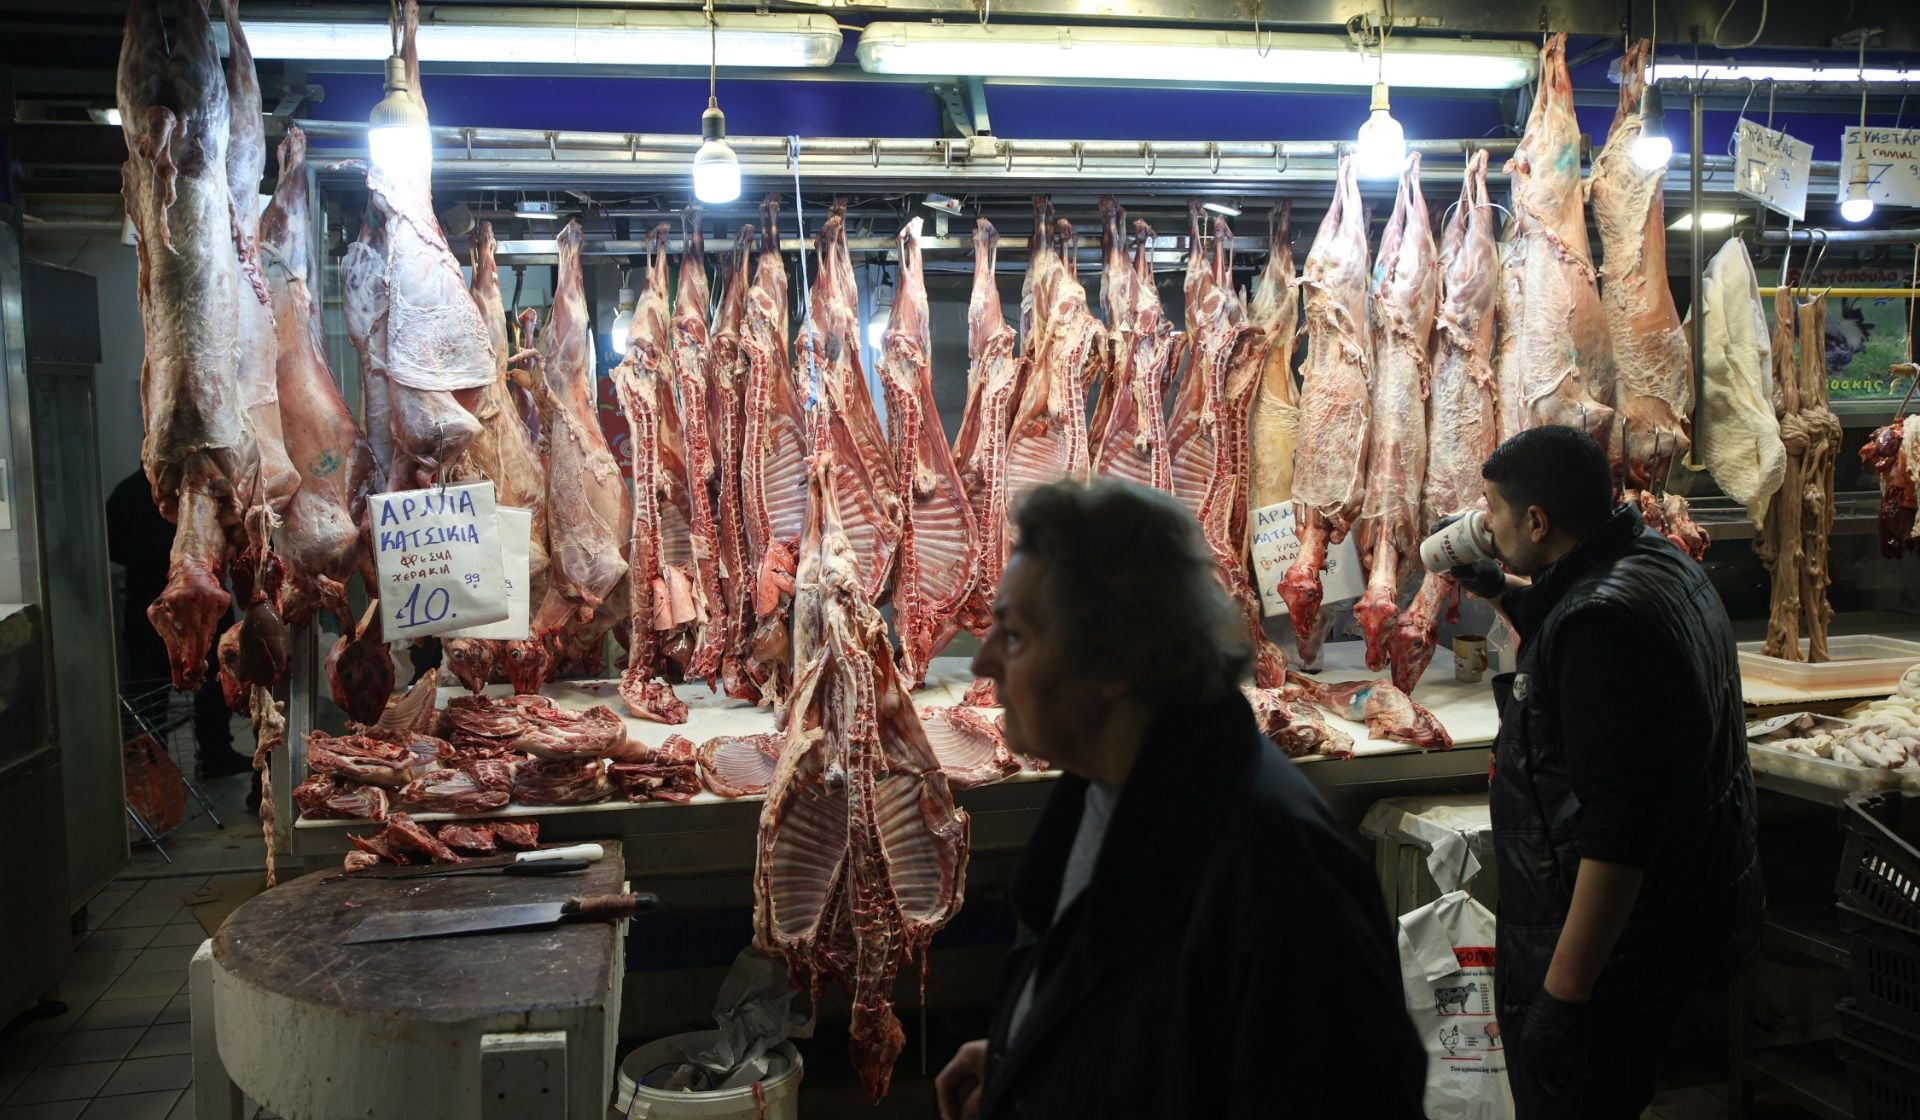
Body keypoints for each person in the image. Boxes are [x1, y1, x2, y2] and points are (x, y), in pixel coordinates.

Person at [935, 477, 1426, 1120]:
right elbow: (1133, 1014)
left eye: (1016, 637)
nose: (982, 665)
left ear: (1115, 661)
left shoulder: (1280, 874)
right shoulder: (1101, 781)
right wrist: (1028, 1058)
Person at [1432, 425, 1762, 1119]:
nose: (1484, 525)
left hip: (1614, 963)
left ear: (1536, 521)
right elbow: (1578, 618)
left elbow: (1619, 830)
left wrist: (1564, 993)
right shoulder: (1656, 561)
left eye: (1492, 510)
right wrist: (1500, 589)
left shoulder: (1602, 624)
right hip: (1671, 931)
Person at [106, 467, 248, 780]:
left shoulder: (133, 491)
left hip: (178, 599)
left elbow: (114, 548)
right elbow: (113, 544)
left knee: (206, 680)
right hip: (163, 602)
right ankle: (171, 763)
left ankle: (204, 755)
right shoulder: (134, 493)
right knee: (159, 687)